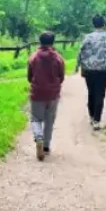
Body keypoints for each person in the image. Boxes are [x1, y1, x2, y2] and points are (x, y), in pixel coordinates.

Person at [74, 14, 106, 130]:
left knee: (91, 92)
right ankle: (96, 120)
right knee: (100, 94)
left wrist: (77, 66)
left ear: (93, 24)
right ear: (104, 24)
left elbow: (80, 52)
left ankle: (91, 115)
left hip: (88, 69)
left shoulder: (87, 37)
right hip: (102, 70)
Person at [27, 31, 66, 161]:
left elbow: (29, 77)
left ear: (40, 41)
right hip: (53, 94)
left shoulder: (33, 57)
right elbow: (61, 77)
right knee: (49, 120)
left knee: (36, 119)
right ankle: (46, 147)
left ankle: (39, 138)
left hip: (37, 93)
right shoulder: (58, 58)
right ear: (53, 42)